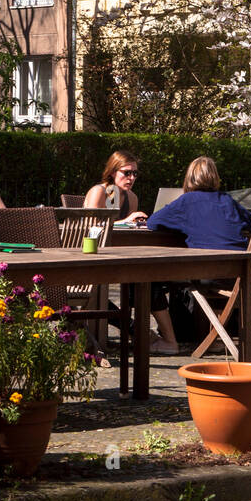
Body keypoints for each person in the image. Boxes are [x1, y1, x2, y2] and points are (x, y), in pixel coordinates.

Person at [84, 151, 180, 354]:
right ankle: (136, 330)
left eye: (135, 174)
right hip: (90, 254)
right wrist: (124, 221)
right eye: (126, 173)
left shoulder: (131, 198)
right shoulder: (99, 192)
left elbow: (124, 231)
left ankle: (161, 338)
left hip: (117, 255)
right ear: (112, 172)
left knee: (149, 277)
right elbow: (89, 226)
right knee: (103, 291)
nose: (131, 178)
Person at [146, 156, 251, 249]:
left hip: (208, 265)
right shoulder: (227, 199)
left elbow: (152, 222)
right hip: (241, 261)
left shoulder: (187, 201)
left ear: (189, 177)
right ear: (215, 177)